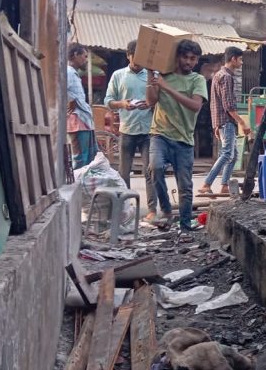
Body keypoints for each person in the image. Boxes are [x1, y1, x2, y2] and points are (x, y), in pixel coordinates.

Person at [145, 40, 208, 230]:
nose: (188, 62)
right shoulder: (164, 77)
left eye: (192, 58)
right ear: (177, 57)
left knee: (185, 187)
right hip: (160, 133)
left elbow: (195, 105)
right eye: (185, 57)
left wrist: (166, 87)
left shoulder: (197, 80)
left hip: (184, 139)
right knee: (154, 168)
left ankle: (186, 225)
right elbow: (151, 101)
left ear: (196, 61)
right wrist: (150, 75)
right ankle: (166, 211)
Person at [104, 40, 158, 220]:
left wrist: (150, 105)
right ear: (128, 55)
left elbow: (160, 99)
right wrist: (123, 104)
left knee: (150, 170)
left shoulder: (152, 75)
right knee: (123, 172)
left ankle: (152, 210)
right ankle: (125, 209)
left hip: (148, 130)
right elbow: (108, 101)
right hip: (127, 130)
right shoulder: (118, 75)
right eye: (136, 57)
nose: (140, 61)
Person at [200, 47, 251, 195]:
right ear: (233, 58)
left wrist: (216, 124)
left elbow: (215, 102)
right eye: (240, 59)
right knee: (228, 153)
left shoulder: (218, 75)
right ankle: (206, 184)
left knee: (233, 155)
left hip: (222, 121)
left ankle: (224, 186)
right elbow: (228, 105)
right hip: (226, 121)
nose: (241, 63)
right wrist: (242, 122)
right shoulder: (226, 77)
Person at [66, 43, 96, 169]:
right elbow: (59, 88)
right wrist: (70, 99)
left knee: (88, 158)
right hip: (77, 122)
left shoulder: (74, 74)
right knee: (80, 159)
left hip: (83, 121)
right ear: (75, 55)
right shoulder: (68, 72)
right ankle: (78, 185)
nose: (86, 60)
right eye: (84, 56)